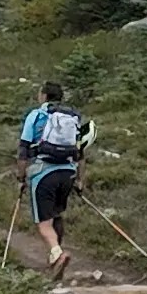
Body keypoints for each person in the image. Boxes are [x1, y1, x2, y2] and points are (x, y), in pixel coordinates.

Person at [16, 81, 93, 282]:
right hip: (67, 173)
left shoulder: (36, 115)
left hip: (44, 173)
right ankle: (55, 258)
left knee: (43, 223)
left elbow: (24, 149)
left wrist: (20, 177)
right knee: (57, 215)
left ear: (44, 96)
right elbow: (81, 153)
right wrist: (80, 181)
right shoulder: (72, 118)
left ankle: (57, 253)